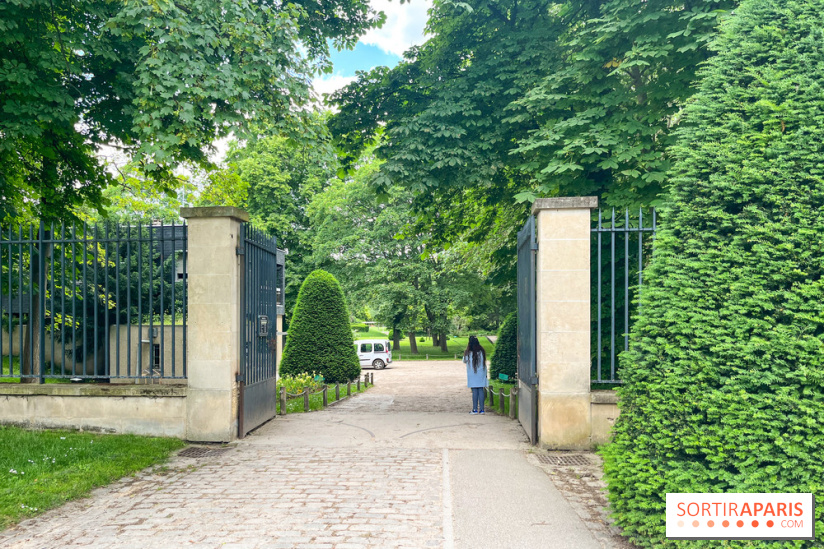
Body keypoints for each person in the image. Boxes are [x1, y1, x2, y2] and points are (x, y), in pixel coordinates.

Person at [463, 336, 488, 414]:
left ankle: (474, 409)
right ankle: (482, 409)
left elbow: (464, 361)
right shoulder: (482, 351)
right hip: (481, 373)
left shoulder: (468, 352)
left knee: (474, 391)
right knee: (480, 390)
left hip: (472, 374)